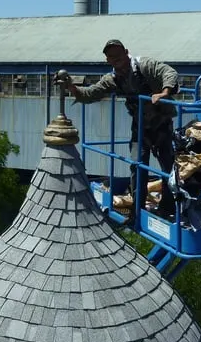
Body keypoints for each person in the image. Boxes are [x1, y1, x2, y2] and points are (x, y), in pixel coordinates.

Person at [67, 39, 179, 216]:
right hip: (140, 126)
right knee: (137, 165)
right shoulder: (112, 79)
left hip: (161, 123)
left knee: (167, 166)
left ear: (126, 52)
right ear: (108, 60)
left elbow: (168, 72)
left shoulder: (145, 66)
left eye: (118, 54)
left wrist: (164, 92)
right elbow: (91, 93)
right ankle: (137, 209)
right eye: (111, 56)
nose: (116, 58)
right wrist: (72, 88)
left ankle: (168, 206)